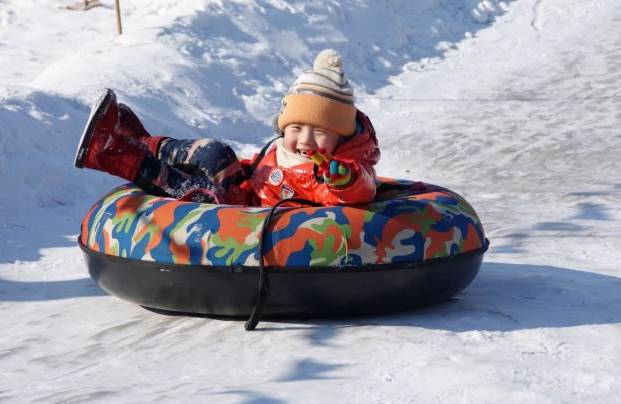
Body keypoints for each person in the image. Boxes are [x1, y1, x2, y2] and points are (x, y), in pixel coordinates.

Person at [74, 49, 380, 207]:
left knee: (205, 195)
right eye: (296, 127)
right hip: (247, 192)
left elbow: (358, 190)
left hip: (252, 218)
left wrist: (344, 179)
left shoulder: (340, 168)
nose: (305, 140)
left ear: (341, 135)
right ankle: (140, 140)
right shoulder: (286, 150)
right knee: (213, 152)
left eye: (320, 132)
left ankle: (113, 154)